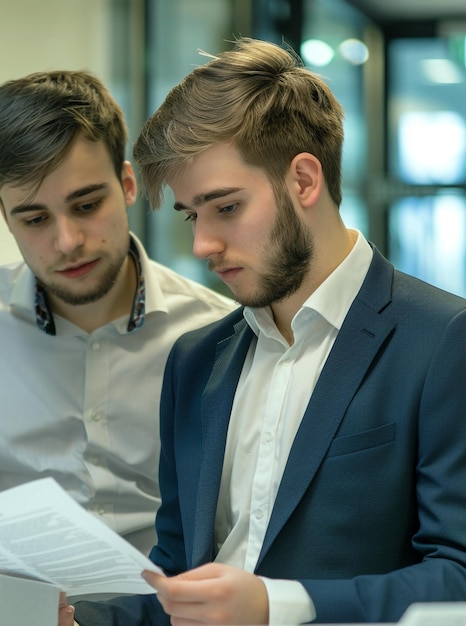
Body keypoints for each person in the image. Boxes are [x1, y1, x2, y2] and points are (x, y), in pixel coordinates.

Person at [70, 38, 466, 625]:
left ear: (304, 180)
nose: (203, 244)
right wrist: (73, 618)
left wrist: (275, 606)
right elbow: (179, 576)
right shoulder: (196, 360)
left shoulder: (444, 340)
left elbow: (457, 574)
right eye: (191, 215)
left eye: (225, 207)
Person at [0, 69, 235, 626]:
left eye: (86, 204)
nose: (67, 241)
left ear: (127, 184)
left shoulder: (219, 331)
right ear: (4, 215)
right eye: (34, 218)